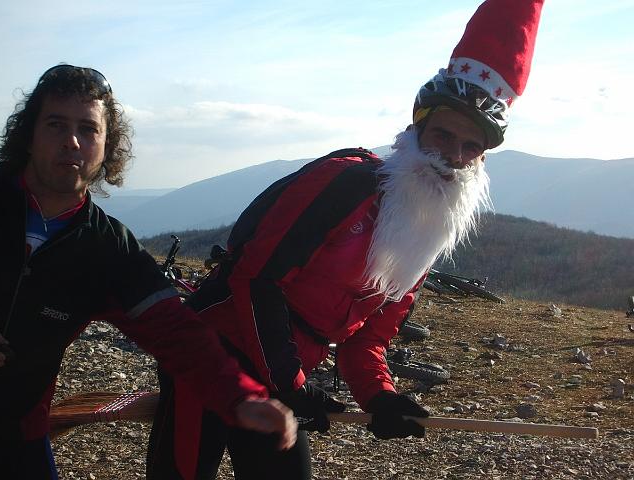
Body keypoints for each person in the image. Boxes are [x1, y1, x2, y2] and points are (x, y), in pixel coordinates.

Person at [148, 0, 546, 478]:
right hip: (211, 354)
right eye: (442, 136)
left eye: (470, 147)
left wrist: (380, 397)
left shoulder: (424, 232)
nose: (453, 157)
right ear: (416, 130)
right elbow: (257, 278)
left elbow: (370, 335)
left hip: (281, 370)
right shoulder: (345, 184)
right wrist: (290, 382)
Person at [0, 64, 297, 480]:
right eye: (56, 125)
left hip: (16, 433)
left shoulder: (106, 247)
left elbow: (173, 329)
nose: (72, 141)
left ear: (106, 146)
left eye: (88, 129)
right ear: (29, 135)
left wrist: (240, 397)